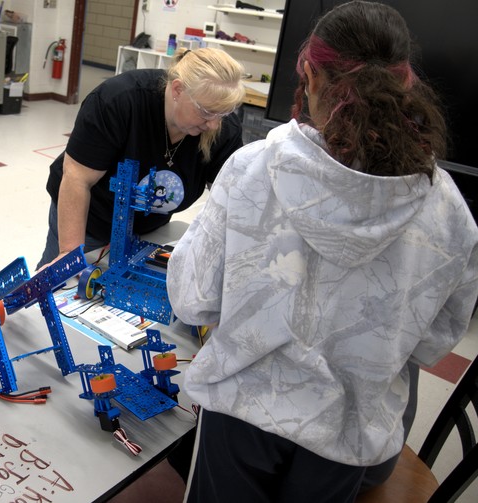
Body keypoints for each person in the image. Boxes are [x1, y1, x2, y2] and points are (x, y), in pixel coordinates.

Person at [165, 1, 478, 501]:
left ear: (309, 74)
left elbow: (193, 299)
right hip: (346, 435)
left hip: (242, 415)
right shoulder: (448, 209)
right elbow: (434, 341)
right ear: (405, 84)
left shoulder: (253, 168)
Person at [36, 47, 246, 269]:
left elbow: (228, 201)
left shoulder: (222, 128)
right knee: (60, 283)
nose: (213, 124)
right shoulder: (118, 100)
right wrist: (70, 255)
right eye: (206, 112)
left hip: (150, 229)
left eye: (222, 113)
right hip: (89, 220)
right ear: (177, 90)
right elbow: (77, 178)